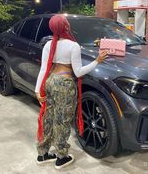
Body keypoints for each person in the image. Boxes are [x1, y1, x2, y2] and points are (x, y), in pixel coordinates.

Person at [35, 14, 107, 170]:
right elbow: (79, 72)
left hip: (50, 82)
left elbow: (43, 69)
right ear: (66, 26)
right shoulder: (73, 46)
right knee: (62, 121)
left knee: (48, 117)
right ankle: (61, 157)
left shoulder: (48, 45)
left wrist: (37, 91)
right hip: (65, 85)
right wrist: (97, 61)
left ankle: (43, 153)